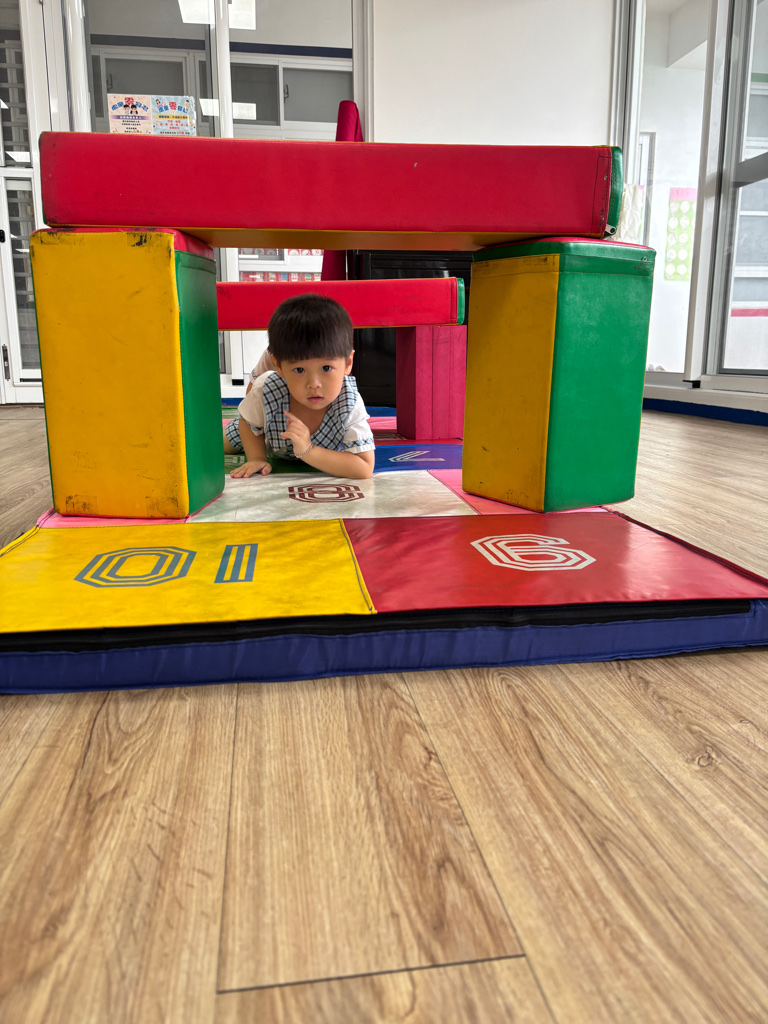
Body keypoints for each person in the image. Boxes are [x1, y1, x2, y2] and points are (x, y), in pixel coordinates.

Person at [223, 293, 375, 480]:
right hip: (265, 435)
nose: (314, 384)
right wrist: (256, 458)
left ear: (348, 363)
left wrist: (307, 450)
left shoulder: (349, 402)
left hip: (320, 452)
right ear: (279, 366)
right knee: (215, 445)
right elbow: (247, 422)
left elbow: (364, 468)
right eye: (300, 370)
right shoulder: (267, 389)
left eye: (326, 368)